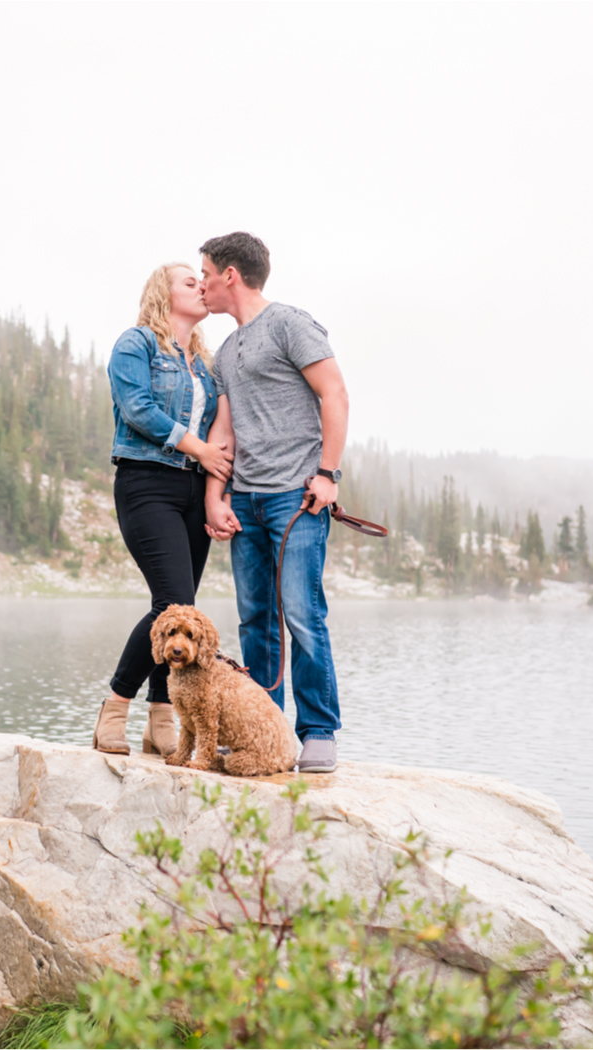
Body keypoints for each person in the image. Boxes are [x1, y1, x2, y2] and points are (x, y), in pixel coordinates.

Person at [199, 232, 350, 773]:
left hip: (297, 499)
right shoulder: (227, 351)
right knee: (256, 621)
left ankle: (318, 732)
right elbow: (225, 431)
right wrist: (216, 497)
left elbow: (334, 393)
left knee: (303, 614)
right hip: (248, 502)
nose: (204, 285)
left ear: (231, 275)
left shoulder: (290, 323)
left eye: (208, 275)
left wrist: (328, 474)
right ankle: (265, 732)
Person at [92, 263, 233, 756]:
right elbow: (137, 409)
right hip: (146, 481)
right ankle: (115, 706)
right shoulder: (136, 344)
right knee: (170, 603)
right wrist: (197, 448)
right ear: (163, 293)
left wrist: (217, 492)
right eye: (189, 282)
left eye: (203, 281)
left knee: (183, 609)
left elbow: (222, 433)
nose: (202, 286)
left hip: (194, 491)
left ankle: (160, 720)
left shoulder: (205, 364)